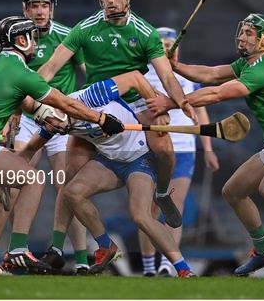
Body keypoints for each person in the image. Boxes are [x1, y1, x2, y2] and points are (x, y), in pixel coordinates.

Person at [0, 16, 124, 275]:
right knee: (34, 180)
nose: (35, 43)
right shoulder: (20, 71)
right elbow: (65, 103)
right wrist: (101, 119)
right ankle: (17, 250)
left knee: (8, 194)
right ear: (21, 40)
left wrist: (43, 119)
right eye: (31, 37)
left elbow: (23, 101)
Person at [36, 0, 197, 268]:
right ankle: (58, 250)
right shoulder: (85, 29)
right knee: (69, 177)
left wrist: (180, 101)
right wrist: (23, 95)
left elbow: (165, 76)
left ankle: (162, 192)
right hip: (99, 101)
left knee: (163, 149)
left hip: (135, 100)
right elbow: (50, 67)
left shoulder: (145, 32)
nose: (111, 0)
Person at [146, 13, 264, 278]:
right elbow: (212, 74)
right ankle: (263, 251)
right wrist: (177, 66)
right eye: (243, 31)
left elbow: (217, 93)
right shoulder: (248, 63)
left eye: (250, 33)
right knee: (233, 191)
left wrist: (172, 102)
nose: (242, 36)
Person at [19, 71, 189, 275]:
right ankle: (106, 246)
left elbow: (135, 77)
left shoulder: (91, 96)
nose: (51, 127)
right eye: (44, 123)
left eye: (50, 120)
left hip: (140, 158)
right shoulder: (55, 124)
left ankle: (183, 269)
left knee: (141, 216)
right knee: (72, 192)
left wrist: (159, 110)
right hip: (109, 160)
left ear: (58, 107)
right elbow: (29, 149)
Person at [0, 0, 90, 276]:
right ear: (25, 9)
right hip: (27, 117)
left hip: (61, 115)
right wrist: (11, 116)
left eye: (44, 6)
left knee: (66, 186)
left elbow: (87, 72)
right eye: (34, 6)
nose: (40, 11)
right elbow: (7, 81)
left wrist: (83, 107)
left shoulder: (67, 34)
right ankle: (15, 251)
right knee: (16, 182)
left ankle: (80, 259)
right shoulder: (15, 35)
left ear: (52, 8)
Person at [138, 27, 220, 278]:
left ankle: (168, 262)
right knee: (148, 209)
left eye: (169, 44)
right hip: (154, 148)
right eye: (161, 44)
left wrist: (207, 147)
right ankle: (149, 266)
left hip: (184, 148)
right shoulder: (144, 74)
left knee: (175, 207)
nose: (165, 48)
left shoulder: (186, 76)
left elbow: (201, 109)